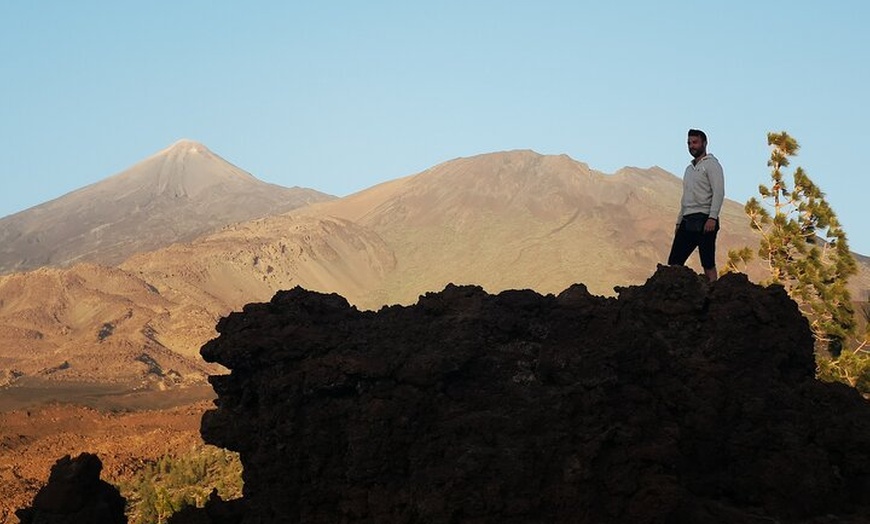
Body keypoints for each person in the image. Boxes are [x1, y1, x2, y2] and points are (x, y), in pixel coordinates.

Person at [667, 128, 725, 282]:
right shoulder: (689, 170)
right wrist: (680, 221)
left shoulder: (712, 165)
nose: (691, 146)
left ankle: (714, 293)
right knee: (674, 261)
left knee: (707, 262)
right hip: (688, 220)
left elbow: (718, 192)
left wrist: (712, 217)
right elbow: (685, 197)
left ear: (704, 143)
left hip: (705, 219)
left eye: (695, 142)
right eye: (689, 143)